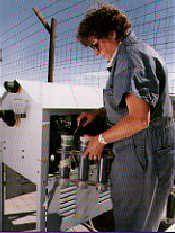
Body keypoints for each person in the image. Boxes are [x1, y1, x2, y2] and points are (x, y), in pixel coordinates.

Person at [76, 2, 175, 232]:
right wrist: (98, 114)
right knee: (140, 221)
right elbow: (129, 106)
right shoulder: (133, 54)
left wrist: (99, 140)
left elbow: (139, 119)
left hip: (142, 155)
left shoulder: (131, 59)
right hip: (143, 152)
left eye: (97, 44)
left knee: (133, 224)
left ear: (111, 33)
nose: (96, 52)